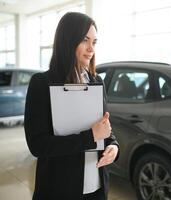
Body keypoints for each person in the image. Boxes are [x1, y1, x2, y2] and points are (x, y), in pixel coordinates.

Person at [24, 12, 119, 200]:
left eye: (95, 42)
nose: (91, 48)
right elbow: (38, 145)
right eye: (85, 40)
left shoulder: (97, 81)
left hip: (96, 189)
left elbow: (105, 127)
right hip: (59, 189)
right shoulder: (42, 83)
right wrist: (90, 137)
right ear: (68, 40)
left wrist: (114, 147)